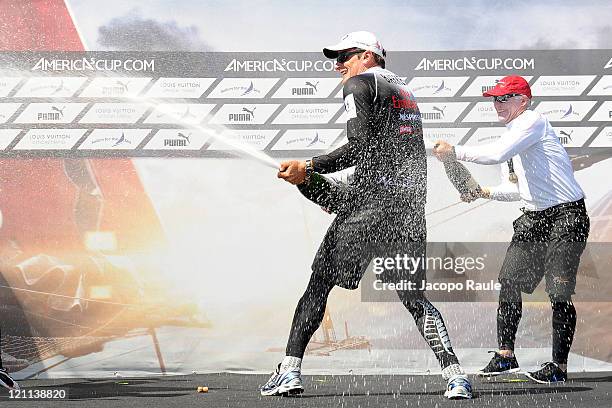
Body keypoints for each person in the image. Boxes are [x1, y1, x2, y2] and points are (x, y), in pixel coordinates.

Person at [261, 31, 472, 399]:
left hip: (368, 209)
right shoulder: (404, 92)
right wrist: (312, 180)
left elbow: (360, 147)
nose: (337, 66)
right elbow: (380, 156)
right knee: (414, 297)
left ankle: (290, 372)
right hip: (406, 212)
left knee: (318, 286)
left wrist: (308, 165)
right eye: (335, 58)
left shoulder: (359, 83)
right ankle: (456, 376)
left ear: (368, 56)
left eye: (344, 56)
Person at [433, 75, 590, 384]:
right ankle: (506, 356)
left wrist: (454, 151)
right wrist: (484, 192)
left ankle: (558, 366)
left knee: (558, 293)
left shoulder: (532, 122)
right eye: (494, 99)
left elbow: (494, 154)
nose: (497, 104)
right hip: (534, 217)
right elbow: (516, 189)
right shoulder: (516, 136)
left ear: (523, 101)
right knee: (508, 282)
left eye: (504, 98)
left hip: (567, 217)